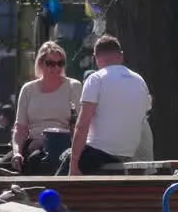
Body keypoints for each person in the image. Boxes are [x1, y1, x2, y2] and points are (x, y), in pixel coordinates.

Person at [63, 35, 151, 176]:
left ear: (95, 58)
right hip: (129, 152)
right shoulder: (140, 81)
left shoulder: (95, 79)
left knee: (66, 158)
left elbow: (82, 124)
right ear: (121, 56)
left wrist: (73, 165)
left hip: (100, 154)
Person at [11, 42, 82, 174]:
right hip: (34, 143)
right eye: (50, 63)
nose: (56, 68)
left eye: (60, 63)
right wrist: (17, 153)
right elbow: (20, 128)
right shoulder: (28, 89)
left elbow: (79, 125)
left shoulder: (73, 87)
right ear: (41, 63)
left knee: (39, 161)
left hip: (63, 145)